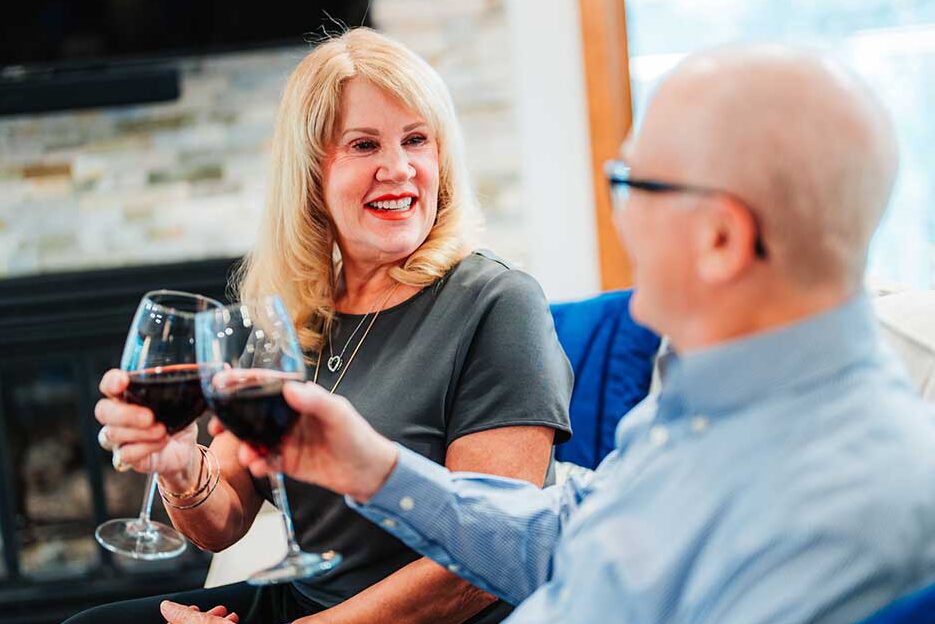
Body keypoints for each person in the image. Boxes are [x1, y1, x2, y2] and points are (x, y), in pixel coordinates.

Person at [162, 43, 935, 623]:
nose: (615, 218)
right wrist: (373, 468)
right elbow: (569, 527)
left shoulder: (851, 501)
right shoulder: (710, 391)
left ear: (721, 240)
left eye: (629, 186)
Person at [71, 28, 573, 624]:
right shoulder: (298, 313)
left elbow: (488, 563)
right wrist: (180, 464)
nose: (399, 169)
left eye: (417, 140)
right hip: (304, 603)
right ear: (311, 174)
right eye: (364, 145)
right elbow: (222, 520)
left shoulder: (498, 303)